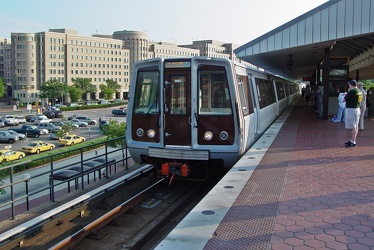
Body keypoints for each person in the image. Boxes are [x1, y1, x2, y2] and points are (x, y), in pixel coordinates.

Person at [344, 80, 363, 147]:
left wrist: (346, 95)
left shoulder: (352, 91)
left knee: (353, 126)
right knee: (356, 125)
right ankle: (352, 140)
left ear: (351, 85)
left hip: (352, 109)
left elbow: (344, 99)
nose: (349, 85)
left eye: (349, 84)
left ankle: (353, 141)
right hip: (357, 109)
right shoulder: (359, 91)